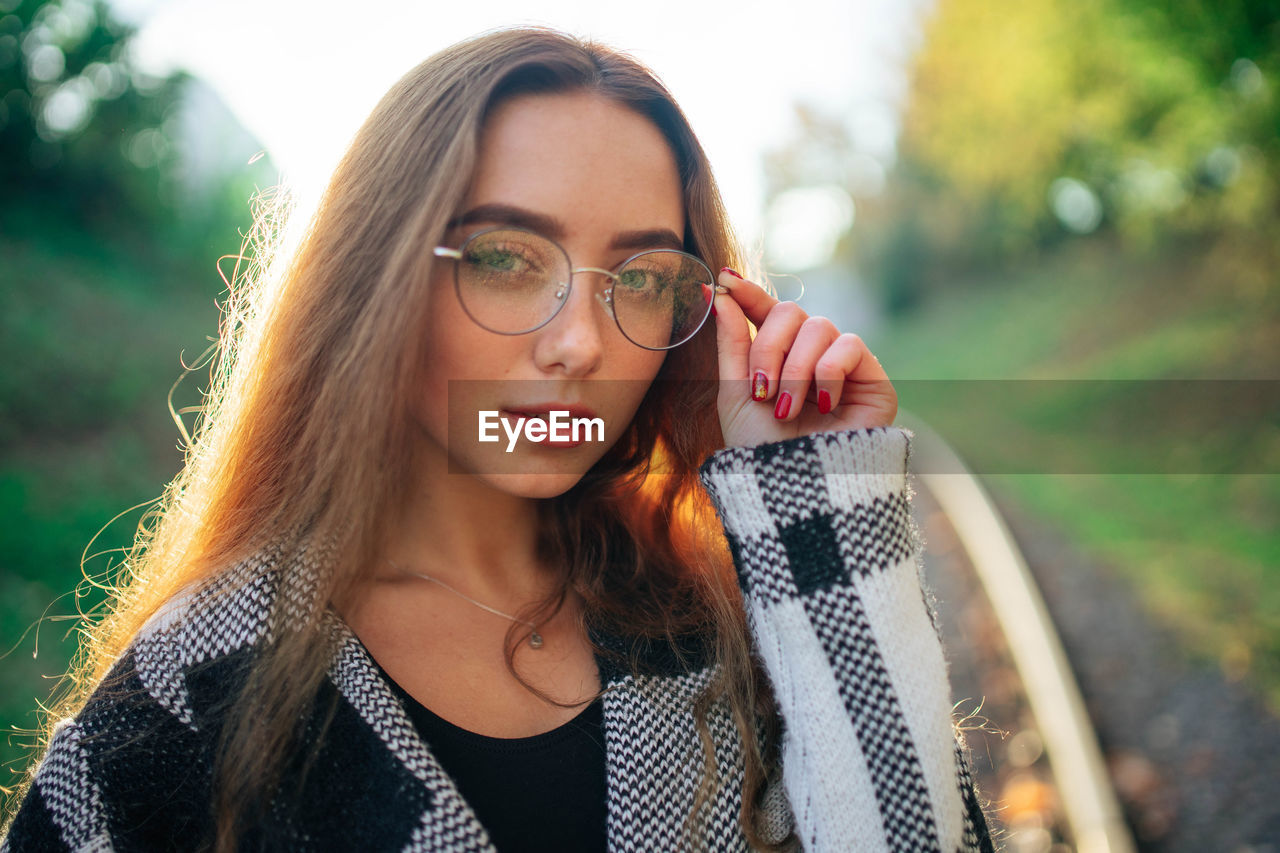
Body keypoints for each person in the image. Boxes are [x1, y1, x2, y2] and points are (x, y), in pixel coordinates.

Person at [0, 26, 994, 853]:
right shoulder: (198, 686)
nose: (579, 343)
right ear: (374, 276)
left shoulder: (734, 625)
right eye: (505, 259)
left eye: (641, 276)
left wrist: (809, 493)